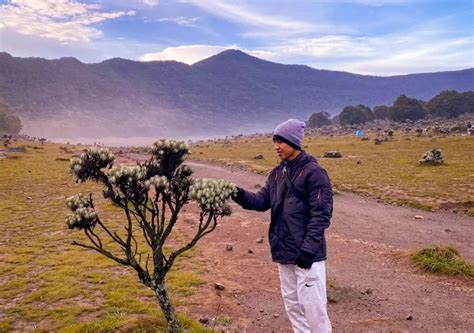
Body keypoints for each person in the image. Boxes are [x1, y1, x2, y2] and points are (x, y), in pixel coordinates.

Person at [233, 119, 333, 333]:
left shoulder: (314, 173)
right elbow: (260, 202)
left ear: (294, 142)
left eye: (281, 141)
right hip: (283, 252)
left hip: (307, 255)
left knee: (314, 310)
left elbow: (321, 214)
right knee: (293, 306)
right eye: (275, 141)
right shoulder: (277, 173)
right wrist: (237, 193)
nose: (276, 146)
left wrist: (308, 249)